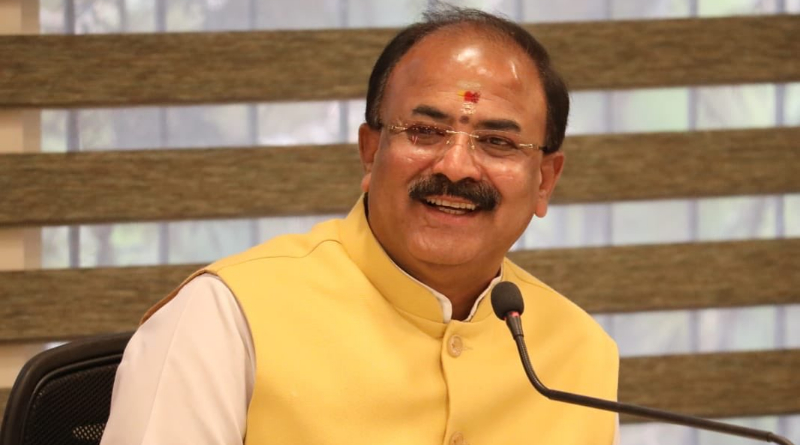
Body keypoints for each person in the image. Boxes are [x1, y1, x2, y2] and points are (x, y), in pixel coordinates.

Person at [101, 5, 619, 445]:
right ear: (371, 153)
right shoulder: (224, 317)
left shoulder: (580, 352)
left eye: (498, 142)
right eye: (424, 131)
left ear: (545, 180)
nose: (457, 166)